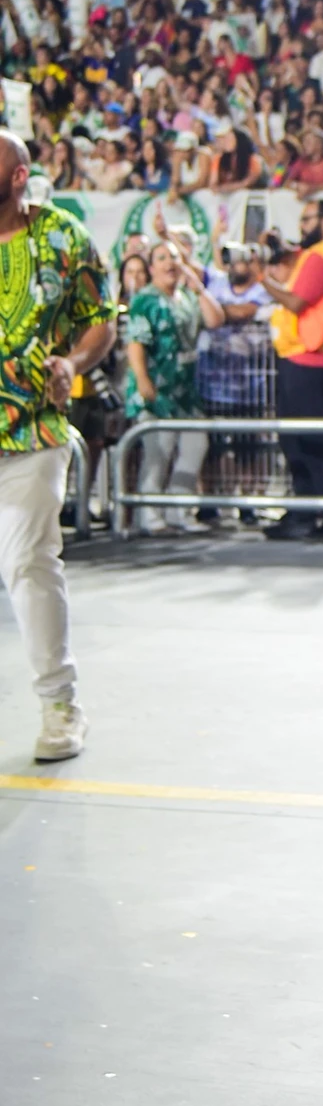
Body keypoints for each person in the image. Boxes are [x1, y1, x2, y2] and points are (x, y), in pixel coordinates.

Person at [0, 131, 117, 760]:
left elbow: (101, 319)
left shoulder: (62, 237)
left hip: (33, 430)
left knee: (27, 562)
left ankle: (59, 704)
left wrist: (73, 362)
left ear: (19, 177)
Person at [263, 197, 323, 540]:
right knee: (312, 439)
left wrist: (261, 279)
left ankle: (318, 516)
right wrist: (281, 248)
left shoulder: (319, 256)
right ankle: (319, 514)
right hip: (321, 356)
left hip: (305, 357)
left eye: (307, 219)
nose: (302, 226)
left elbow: (296, 301)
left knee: (302, 441)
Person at [124, 239, 225, 532]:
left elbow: (215, 320)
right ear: (152, 267)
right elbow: (136, 341)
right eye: (162, 258)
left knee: (196, 443)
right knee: (159, 449)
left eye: (174, 257)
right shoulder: (145, 300)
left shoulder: (187, 298)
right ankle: (149, 514)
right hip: (156, 386)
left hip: (185, 389)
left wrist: (198, 288)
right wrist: (142, 379)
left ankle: (179, 510)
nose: (169, 263)